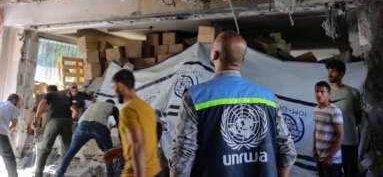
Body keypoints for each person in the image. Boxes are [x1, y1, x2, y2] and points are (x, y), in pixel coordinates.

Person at [170, 31, 297, 177]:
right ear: (243, 59)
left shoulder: (195, 97)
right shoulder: (269, 98)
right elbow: (288, 151)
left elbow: (183, 157)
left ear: (214, 55)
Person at [103, 69, 161, 177]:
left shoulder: (127, 111)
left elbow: (137, 145)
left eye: (114, 87)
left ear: (120, 86)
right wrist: (118, 151)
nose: (114, 93)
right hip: (154, 170)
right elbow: (144, 140)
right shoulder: (146, 107)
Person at [56, 99, 119, 177]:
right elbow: (120, 123)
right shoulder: (113, 107)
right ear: (112, 104)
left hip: (82, 125)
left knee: (71, 151)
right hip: (98, 126)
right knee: (109, 151)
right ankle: (110, 175)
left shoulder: (93, 105)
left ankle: (59, 174)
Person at [327, 59, 361, 177]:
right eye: (329, 70)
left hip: (349, 142)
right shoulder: (324, 92)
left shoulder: (353, 93)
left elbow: (358, 118)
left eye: (334, 71)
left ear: (342, 74)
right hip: (329, 143)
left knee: (350, 173)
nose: (330, 73)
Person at [33, 85, 75, 177]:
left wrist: (36, 119)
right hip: (67, 122)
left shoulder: (50, 94)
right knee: (66, 148)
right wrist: (70, 120)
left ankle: (38, 174)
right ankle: (62, 173)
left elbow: (42, 103)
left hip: (54, 121)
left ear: (48, 91)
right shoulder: (65, 95)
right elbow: (75, 110)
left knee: (44, 148)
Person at [313, 81, 344, 177]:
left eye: (322, 91)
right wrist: (314, 150)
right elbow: (316, 130)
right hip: (320, 157)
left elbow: (340, 135)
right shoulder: (316, 109)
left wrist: (330, 156)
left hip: (332, 160)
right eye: (317, 91)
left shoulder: (335, 111)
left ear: (329, 94)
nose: (319, 94)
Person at [0, 94, 20, 177]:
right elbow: (13, 125)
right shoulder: (14, 108)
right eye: (19, 102)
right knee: (9, 158)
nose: (19, 104)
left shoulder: (1, 104)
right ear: (14, 100)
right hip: (1, 133)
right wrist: (8, 132)